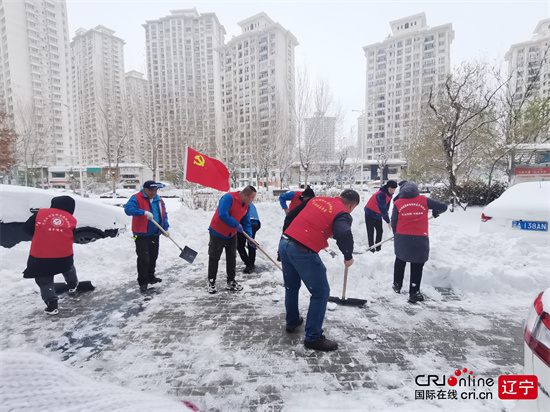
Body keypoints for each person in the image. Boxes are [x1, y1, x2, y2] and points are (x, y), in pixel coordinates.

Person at [278, 189, 360, 352]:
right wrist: (348, 255)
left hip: (285, 243)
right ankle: (313, 338)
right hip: (302, 250)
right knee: (321, 293)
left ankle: (292, 321)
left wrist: (285, 239)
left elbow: (290, 216)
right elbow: (343, 232)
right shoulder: (343, 213)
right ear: (351, 205)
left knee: (291, 287)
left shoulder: (316, 200)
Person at [391, 181, 448, 303]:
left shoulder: (398, 202)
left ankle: (397, 285)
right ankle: (414, 292)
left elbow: (394, 220)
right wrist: (436, 212)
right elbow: (443, 206)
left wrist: (396, 234)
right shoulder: (424, 200)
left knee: (400, 260)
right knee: (417, 264)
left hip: (402, 236)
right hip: (419, 237)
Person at [22, 196, 79, 315]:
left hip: (40, 255)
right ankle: (72, 284)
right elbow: (72, 235)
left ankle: (52, 304)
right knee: (68, 268)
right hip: (64, 254)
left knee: (44, 279)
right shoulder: (71, 219)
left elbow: (26, 228)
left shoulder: (40, 214)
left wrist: (41, 235)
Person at [207, 186, 257, 294]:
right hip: (217, 232)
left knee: (232, 257)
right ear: (245, 195)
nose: (252, 200)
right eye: (252, 197)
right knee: (214, 257)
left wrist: (250, 238)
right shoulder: (228, 198)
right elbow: (222, 214)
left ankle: (231, 281)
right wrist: (236, 224)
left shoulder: (247, 206)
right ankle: (211, 282)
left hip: (231, 234)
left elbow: (246, 222)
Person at [124, 180, 169, 293]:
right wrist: (143, 212)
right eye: (151, 190)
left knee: (153, 256)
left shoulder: (158, 200)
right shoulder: (137, 198)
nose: (153, 193)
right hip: (141, 235)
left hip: (154, 234)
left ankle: (151, 277)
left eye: (155, 190)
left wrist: (165, 228)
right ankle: (143, 281)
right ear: (145, 189)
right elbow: (128, 210)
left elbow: (163, 214)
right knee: (144, 258)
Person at [364, 180, 398, 252]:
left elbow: (386, 207)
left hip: (377, 214)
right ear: (388, 187)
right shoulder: (381, 195)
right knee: (371, 231)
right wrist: (388, 221)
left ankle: (378, 248)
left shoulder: (389, 194)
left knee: (380, 231)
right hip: (369, 213)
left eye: (394, 189)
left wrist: (386, 215)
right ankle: (371, 249)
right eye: (392, 189)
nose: (393, 191)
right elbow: (383, 209)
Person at [237, 201, 260, 274]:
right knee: (251, 242)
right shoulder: (249, 202)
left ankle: (248, 264)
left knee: (240, 245)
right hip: (255, 223)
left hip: (246, 223)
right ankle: (251, 263)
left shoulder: (240, 203)